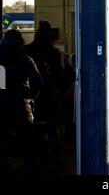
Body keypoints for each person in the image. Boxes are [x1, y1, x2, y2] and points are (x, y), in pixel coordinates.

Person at [25, 21, 73, 172]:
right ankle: (56, 162)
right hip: (51, 98)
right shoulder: (55, 53)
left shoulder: (26, 51)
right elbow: (63, 77)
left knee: (33, 134)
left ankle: (32, 164)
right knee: (53, 131)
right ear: (50, 36)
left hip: (32, 99)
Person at [0, 29, 42, 174]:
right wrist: (31, 96)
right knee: (28, 143)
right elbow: (38, 81)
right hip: (21, 106)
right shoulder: (26, 60)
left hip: (1, 107)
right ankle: (30, 169)